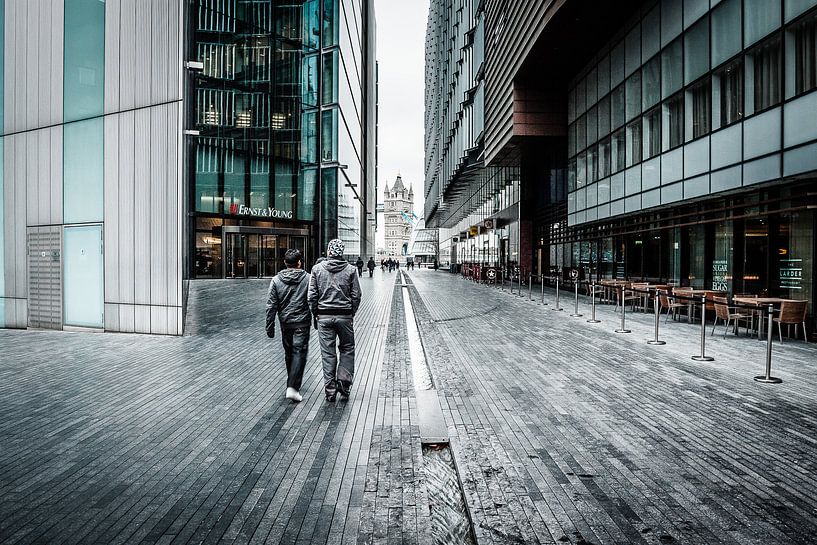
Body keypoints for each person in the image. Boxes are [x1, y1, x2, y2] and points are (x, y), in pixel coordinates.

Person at [309, 239, 362, 401]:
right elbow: (356, 295)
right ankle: (344, 382)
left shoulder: (317, 269)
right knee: (347, 348)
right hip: (344, 316)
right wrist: (351, 312)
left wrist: (316, 313)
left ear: (329, 252)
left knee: (328, 353)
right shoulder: (351, 270)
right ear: (342, 252)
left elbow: (312, 296)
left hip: (324, 316)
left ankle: (330, 390)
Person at [266, 249, 311, 403]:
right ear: (299, 263)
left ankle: (291, 383)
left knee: (289, 352)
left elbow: (271, 305)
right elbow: (313, 299)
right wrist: (316, 320)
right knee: (299, 352)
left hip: (285, 323)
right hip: (302, 322)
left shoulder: (276, 280)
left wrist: (269, 326)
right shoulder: (308, 278)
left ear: (285, 263)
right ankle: (292, 386)